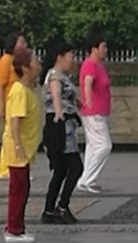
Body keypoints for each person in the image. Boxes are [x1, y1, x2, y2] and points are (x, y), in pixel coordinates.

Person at [2, 47, 42, 243]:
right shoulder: (19, 91)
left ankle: (16, 228)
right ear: (26, 68)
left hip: (24, 148)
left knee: (21, 188)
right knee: (19, 189)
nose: (38, 65)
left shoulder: (27, 89)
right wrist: (18, 146)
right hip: (18, 148)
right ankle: (14, 230)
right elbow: (15, 121)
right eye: (35, 61)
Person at [41, 43, 83, 224]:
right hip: (61, 126)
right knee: (75, 167)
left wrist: (77, 102)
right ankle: (62, 206)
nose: (73, 60)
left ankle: (49, 210)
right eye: (70, 56)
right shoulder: (55, 75)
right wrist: (59, 112)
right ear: (60, 57)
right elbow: (56, 94)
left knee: (60, 170)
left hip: (64, 123)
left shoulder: (63, 76)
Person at [77, 38, 112, 194]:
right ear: (94, 49)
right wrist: (89, 101)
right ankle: (87, 179)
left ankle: (86, 179)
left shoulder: (98, 66)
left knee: (93, 146)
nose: (105, 50)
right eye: (103, 47)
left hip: (98, 111)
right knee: (104, 145)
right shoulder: (90, 64)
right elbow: (88, 82)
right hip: (94, 112)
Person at [0, 33, 27, 180]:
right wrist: (0, 105)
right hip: (9, 103)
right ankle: (5, 167)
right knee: (9, 135)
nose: (24, 45)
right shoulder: (5, 60)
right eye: (21, 42)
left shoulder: (16, 61)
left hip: (16, 102)